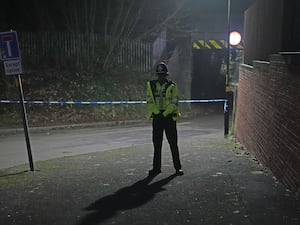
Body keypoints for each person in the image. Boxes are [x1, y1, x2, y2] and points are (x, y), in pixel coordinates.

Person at [146, 62, 183, 176]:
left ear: (166, 75)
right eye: (159, 75)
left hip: (169, 117)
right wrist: (157, 113)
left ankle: (178, 168)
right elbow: (149, 101)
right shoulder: (151, 85)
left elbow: (174, 102)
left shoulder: (173, 86)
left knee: (173, 143)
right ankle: (156, 168)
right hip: (157, 117)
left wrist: (165, 113)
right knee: (157, 144)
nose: (161, 77)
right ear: (157, 75)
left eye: (163, 75)